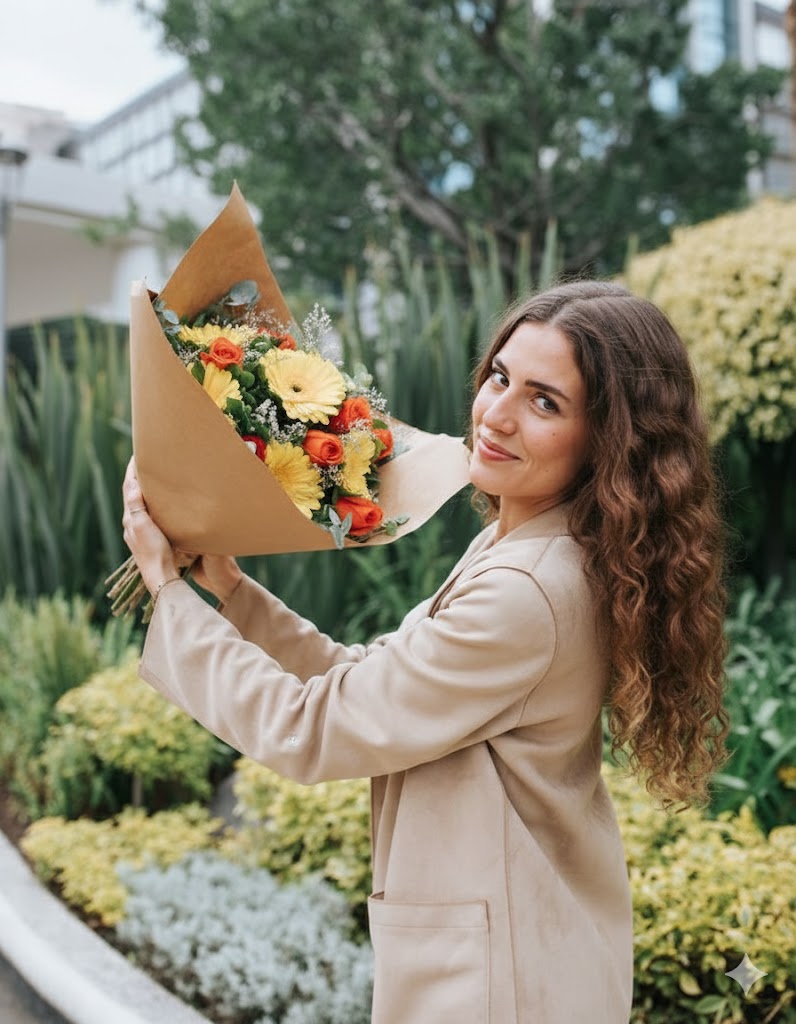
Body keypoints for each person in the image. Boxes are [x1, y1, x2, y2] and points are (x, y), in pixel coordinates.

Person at [122, 280, 729, 1024]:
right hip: (516, 951)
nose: (497, 415)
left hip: (496, 985)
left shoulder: (528, 591)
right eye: (501, 378)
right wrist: (230, 591)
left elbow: (313, 730)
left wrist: (167, 590)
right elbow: (374, 680)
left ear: (609, 438)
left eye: (546, 402)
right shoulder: (532, 542)